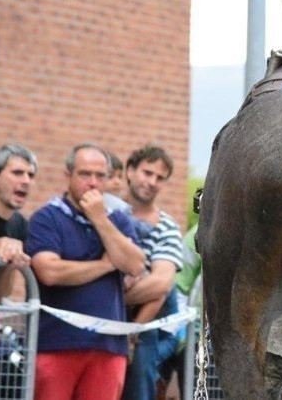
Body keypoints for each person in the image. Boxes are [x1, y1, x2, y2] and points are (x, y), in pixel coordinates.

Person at [25, 143, 146, 400]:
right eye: (84, 174)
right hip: (56, 344)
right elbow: (49, 271)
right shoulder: (47, 218)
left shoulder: (117, 219)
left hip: (109, 347)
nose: (92, 183)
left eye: (100, 176)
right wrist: (105, 265)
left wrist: (100, 219)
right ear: (67, 176)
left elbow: (135, 264)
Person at [121, 145, 184, 400]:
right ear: (130, 171)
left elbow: (160, 285)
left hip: (143, 324)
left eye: (160, 178)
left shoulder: (167, 226)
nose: (152, 182)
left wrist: (132, 332)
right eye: (147, 173)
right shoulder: (104, 210)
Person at [0, 144, 36, 398]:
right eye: (17, 173)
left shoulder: (19, 225)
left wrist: (9, 260)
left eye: (30, 175)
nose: (26, 181)